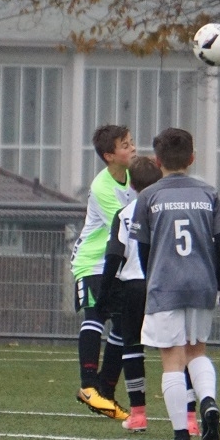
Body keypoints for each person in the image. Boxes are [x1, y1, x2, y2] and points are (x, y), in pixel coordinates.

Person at [133, 127, 220, 440]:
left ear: (157, 161)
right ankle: (208, 401)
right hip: (202, 284)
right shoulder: (209, 194)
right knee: (196, 352)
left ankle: (181, 438)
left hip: (165, 286)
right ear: (192, 158)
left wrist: (152, 279)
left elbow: (142, 249)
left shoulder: (148, 197)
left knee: (172, 361)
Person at [69, 125, 136, 421]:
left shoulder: (132, 178)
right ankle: (88, 386)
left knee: (123, 324)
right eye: (125, 145)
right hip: (93, 261)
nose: (132, 148)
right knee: (95, 315)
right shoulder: (102, 187)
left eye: (131, 142)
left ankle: (106, 392)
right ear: (109, 155)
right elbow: (126, 226)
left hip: (117, 262)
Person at [98, 156, 162, 432]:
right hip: (162, 284)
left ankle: (138, 414)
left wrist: (104, 293)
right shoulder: (164, 210)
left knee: (132, 347)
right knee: (178, 349)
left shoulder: (124, 214)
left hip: (133, 286)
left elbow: (114, 255)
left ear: (132, 185)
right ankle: (188, 416)